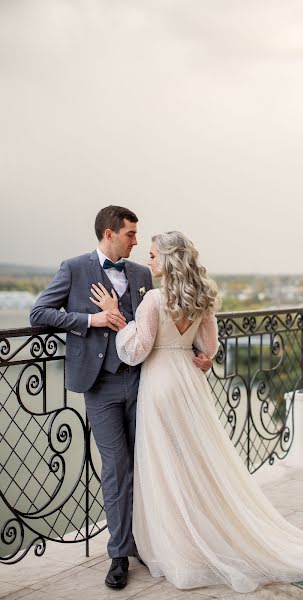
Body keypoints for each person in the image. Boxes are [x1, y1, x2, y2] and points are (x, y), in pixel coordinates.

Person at [89, 230, 303, 595]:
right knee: (194, 463)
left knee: (164, 466)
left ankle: (177, 542)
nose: (149, 261)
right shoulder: (201, 300)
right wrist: (197, 355)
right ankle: (200, 532)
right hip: (189, 384)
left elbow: (137, 350)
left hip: (159, 386)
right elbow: (208, 347)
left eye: (154, 256)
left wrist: (115, 317)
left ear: (169, 261)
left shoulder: (153, 301)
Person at [29, 208, 212, 590]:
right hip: (101, 386)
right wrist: (90, 321)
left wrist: (206, 354)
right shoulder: (75, 268)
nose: (135, 241)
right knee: (116, 469)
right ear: (109, 233)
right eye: (130, 234)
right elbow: (39, 312)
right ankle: (118, 554)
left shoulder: (143, 275)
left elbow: (168, 323)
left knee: (148, 463)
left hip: (146, 382)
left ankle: (148, 542)